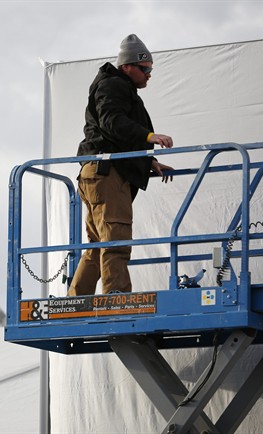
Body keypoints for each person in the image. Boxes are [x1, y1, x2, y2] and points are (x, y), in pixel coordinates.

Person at [67, 34, 174, 296]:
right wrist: (149, 137)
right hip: (107, 173)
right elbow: (112, 122)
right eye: (144, 69)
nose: (149, 74)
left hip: (98, 171)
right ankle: (117, 298)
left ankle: (75, 300)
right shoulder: (113, 85)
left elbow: (113, 136)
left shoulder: (116, 87)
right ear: (127, 66)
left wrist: (148, 161)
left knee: (98, 243)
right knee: (116, 239)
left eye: (150, 69)